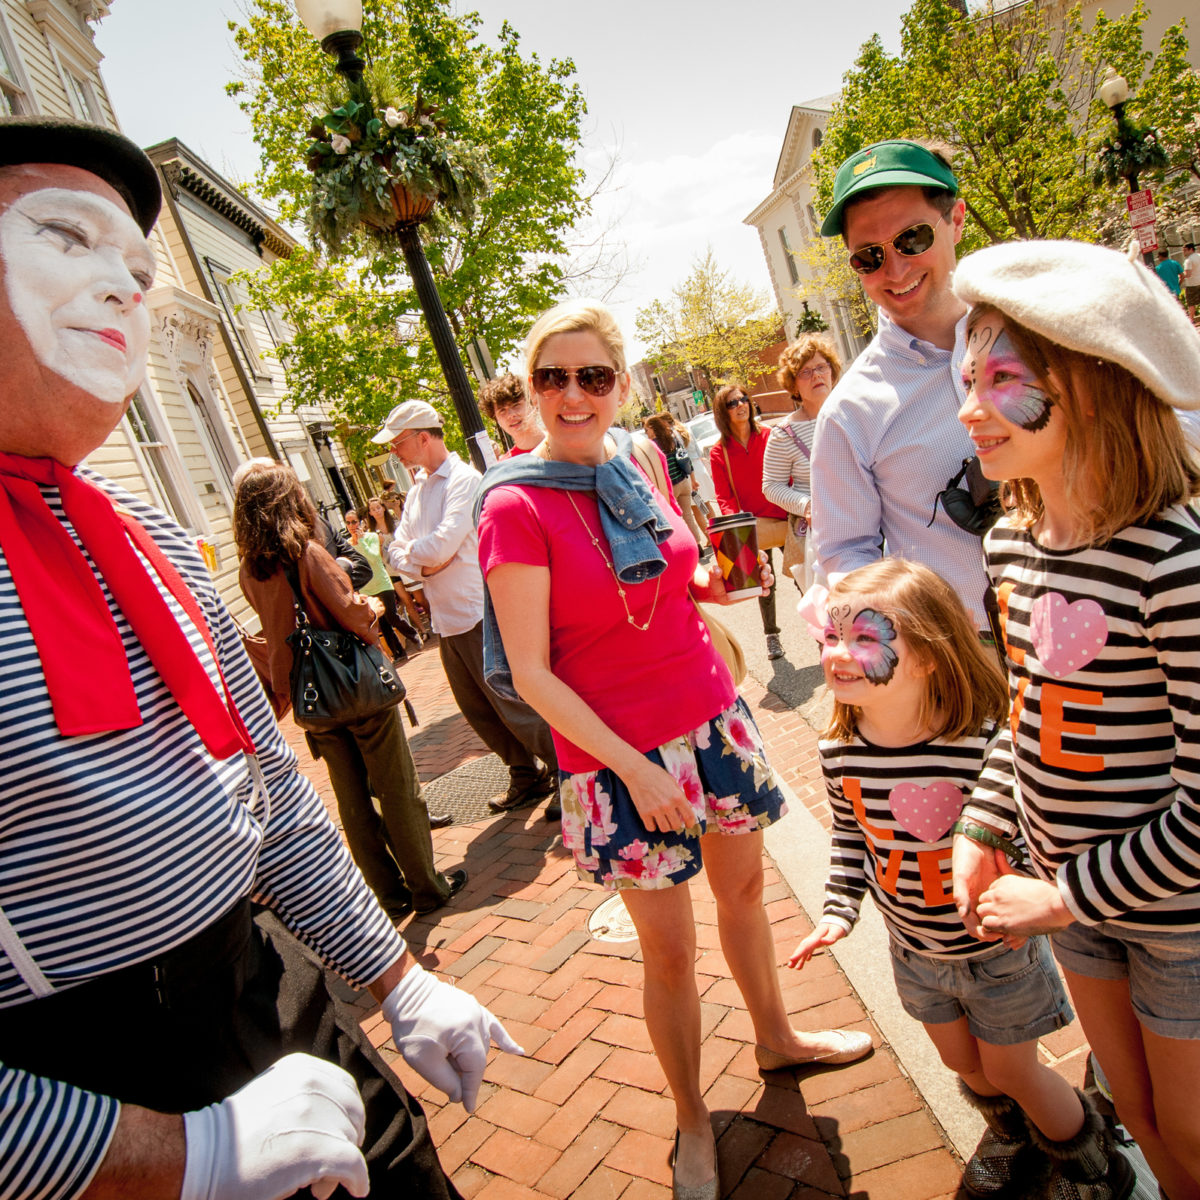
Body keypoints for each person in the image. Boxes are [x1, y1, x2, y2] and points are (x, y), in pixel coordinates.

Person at [0, 116, 518, 1200]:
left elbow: (269, 790)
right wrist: (167, 1158)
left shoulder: (146, 537)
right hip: (85, 1079)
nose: (123, 286)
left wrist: (397, 978)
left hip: (274, 990)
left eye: (138, 265)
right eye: (64, 236)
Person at [475, 298, 871, 1200]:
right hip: (620, 758)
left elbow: (656, 571)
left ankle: (778, 1037)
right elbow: (532, 674)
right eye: (552, 378)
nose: (573, 395)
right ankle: (692, 1118)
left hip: (709, 717)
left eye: (592, 377)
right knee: (669, 953)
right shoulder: (514, 503)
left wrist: (696, 582)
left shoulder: (634, 465)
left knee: (744, 898)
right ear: (533, 391)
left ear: (619, 385)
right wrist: (633, 766)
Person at [950, 238, 1200, 1200]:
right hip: (1080, 905)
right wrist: (985, 819)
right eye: (968, 377)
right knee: (1135, 1110)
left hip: (1177, 920)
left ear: (1091, 387)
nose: (968, 408)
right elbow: (1027, 715)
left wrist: (1062, 898)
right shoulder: (1010, 541)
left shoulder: (1174, 563)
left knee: (1190, 1120)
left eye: (1002, 380)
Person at [788, 559, 1123, 1199]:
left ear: (929, 657)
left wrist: (1020, 896)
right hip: (914, 953)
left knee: (1015, 1072)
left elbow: (1023, 844)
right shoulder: (839, 754)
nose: (839, 653)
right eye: (832, 637)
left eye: (865, 637)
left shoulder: (983, 750)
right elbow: (851, 839)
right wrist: (838, 910)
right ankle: (1012, 1137)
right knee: (963, 1066)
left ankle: (1091, 1163)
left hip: (996, 957)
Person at [238, 463, 461, 919]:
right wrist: (374, 605)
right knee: (396, 787)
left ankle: (388, 892)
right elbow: (354, 615)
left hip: (308, 695)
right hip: (354, 685)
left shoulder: (248, 570)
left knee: (352, 799)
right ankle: (426, 885)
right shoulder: (308, 553)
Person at [812, 139, 989, 630]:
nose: (895, 269)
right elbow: (846, 555)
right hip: (965, 667)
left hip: (1099, 624)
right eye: (868, 256)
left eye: (912, 239)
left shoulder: (1038, 340)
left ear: (955, 220)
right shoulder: (850, 412)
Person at [372, 400, 562, 820]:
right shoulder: (420, 489)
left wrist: (419, 557)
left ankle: (568, 771)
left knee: (514, 702)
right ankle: (524, 774)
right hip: (446, 616)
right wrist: (421, 559)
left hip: (478, 610)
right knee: (478, 708)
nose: (395, 453)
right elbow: (398, 551)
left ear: (423, 437)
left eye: (398, 443)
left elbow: (436, 547)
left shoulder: (463, 479)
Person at [710, 385, 788, 661]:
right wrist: (735, 524)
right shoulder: (719, 452)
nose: (741, 405)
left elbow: (788, 473)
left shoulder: (770, 436)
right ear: (723, 411)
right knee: (766, 583)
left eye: (744, 399)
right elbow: (724, 495)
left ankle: (823, 630)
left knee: (805, 573)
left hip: (786, 517)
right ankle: (772, 636)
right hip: (753, 527)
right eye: (733, 403)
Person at [762, 334, 843, 582]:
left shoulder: (853, 413)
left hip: (869, 525)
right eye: (805, 372)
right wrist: (806, 505)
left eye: (821, 367)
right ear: (794, 385)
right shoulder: (784, 433)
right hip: (822, 536)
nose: (817, 375)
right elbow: (771, 486)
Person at [344, 504, 414, 662]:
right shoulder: (347, 544)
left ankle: (413, 634)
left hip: (382, 582)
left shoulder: (371, 537)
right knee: (381, 623)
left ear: (361, 522)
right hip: (366, 587)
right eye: (348, 523)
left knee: (391, 615)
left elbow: (374, 558)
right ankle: (398, 653)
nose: (351, 526)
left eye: (354, 522)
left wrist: (361, 542)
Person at [644, 411, 707, 552]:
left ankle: (687, 548)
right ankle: (698, 545)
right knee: (688, 516)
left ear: (653, 428)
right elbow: (685, 458)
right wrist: (692, 479)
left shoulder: (652, 445)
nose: (646, 433)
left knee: (676, 520)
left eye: (646, 429)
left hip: (670, 486)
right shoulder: (672, 438)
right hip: (684, 481)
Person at [365, 493, 427, 633]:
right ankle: (422, 631)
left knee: (420, 599)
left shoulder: (396, 524)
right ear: (370, 513)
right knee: (407, 601)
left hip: (405, 565)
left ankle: (432, 621)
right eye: (373, 509)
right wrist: (379, 544)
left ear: (383, 508)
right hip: (391, 570)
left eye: (379, 507)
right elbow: (376, 556)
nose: (377, 511)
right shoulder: (371, 534)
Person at [479, 371, 543, 457]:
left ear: (532, 403)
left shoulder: (562, 444)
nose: (510, 415)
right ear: (496, 419)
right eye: (502, 411)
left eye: (516, 405)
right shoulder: (505, 468)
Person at [1184, 242, 1200, 322]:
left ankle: (1191, 319)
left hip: (1192, 284)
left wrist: (1182, 275)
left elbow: (1188, 274)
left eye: (1185, 250)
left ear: (1191, 249)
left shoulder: (1188, 260)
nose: (1184, 252)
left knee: (1191, 303)